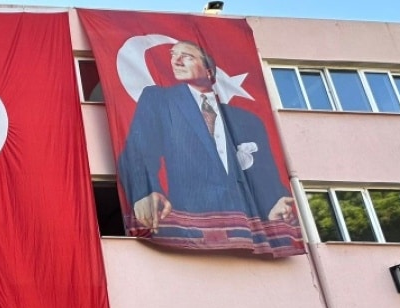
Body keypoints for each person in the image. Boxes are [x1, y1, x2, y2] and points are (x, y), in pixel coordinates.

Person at [120, 41, 293, 233]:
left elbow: (265, 175)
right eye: (173, 54)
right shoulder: (159, 100)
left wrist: (275, 204)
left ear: (209, 71)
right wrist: (144, 192)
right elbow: (137, 152)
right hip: (189, 227)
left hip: (246, 229)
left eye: (187, 56)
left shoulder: (248, 121)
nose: (176, 61)